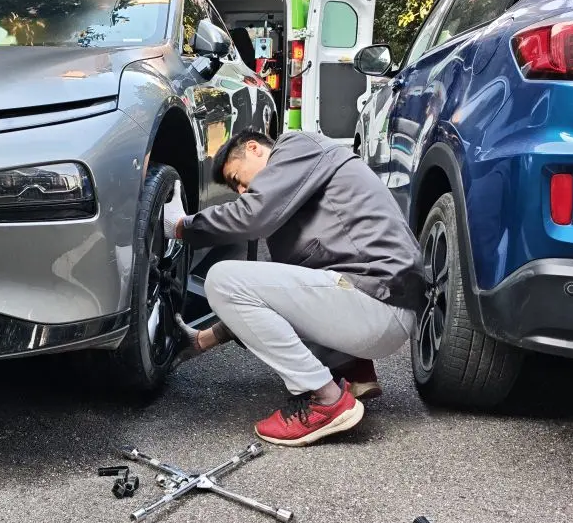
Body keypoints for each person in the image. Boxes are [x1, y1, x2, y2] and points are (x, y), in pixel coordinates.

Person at [162, 128, 425, 447]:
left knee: (221, 279)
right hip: (379, 305)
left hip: (376, 299)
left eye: (237, 179)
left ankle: (327, 401)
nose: (242, 192)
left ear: (254, 148)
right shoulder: (299, 195)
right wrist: (205, 339)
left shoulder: (296, 145)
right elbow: (275, 301)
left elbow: (252, 217)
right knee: (252, 285)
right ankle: (353, 372)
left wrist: (182, 226)